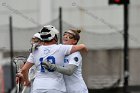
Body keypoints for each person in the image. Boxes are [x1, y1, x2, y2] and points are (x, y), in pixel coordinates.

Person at [17, 25, 87, 93]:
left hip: (76, 89)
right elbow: (31, 68)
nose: (66, 36)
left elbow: (69, 71)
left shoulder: (73, 53)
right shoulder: (60, 49)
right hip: (58, 87)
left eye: (70, 36)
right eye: (65, 34)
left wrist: (53, 66)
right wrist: (21, 75)